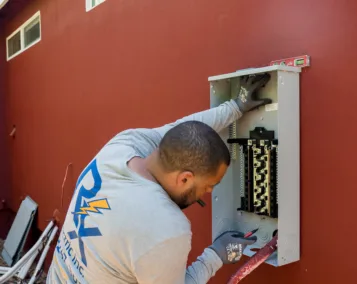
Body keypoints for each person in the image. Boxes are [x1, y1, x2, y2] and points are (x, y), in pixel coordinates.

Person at [47, 74, 271, 284]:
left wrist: (235, 107)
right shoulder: (164, 227)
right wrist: (216, 255)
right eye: (208, 186)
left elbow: (181, 130)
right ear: (184, 179)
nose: (209, 193)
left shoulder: (121, 146)